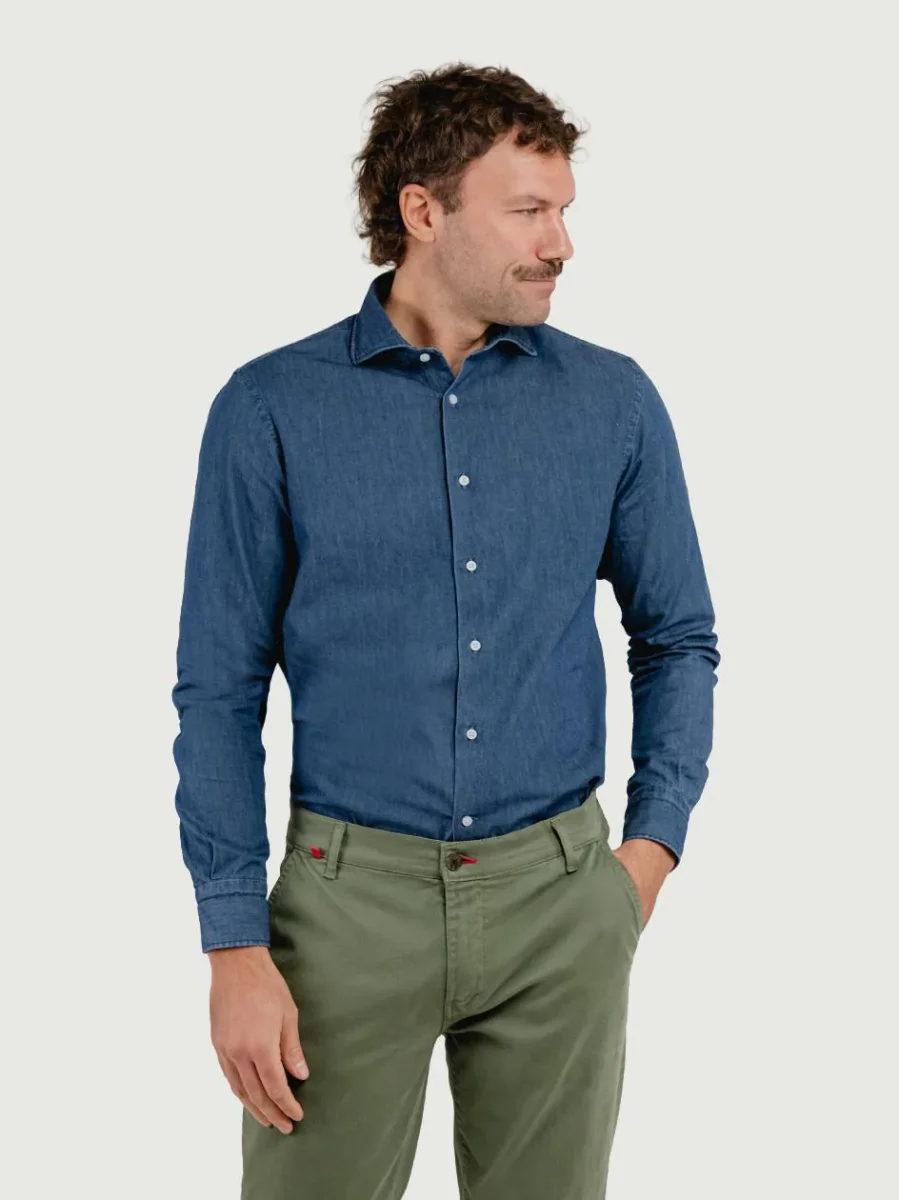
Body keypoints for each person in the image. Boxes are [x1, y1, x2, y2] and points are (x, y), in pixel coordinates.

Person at [170, 60, 720, 1199]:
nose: (560, 243)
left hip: (562, 901)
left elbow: (676, 637)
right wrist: (232, 943)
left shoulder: (612, 403)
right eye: (527, 211)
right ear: (422, 211)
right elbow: (219, 689)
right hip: (343, 910)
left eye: (562, 210)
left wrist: (645, 857)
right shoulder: (271, 409)